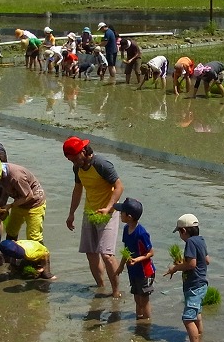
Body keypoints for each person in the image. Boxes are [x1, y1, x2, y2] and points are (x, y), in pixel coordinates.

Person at [63, 136, 124, 298]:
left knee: (107, 255)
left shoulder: (101, 165)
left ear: (83, 151)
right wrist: (71, 214)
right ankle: (100, 287)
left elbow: (119, 186)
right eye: (70, 159)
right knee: (90, 252)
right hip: (89, 212)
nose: (73, 162)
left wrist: (108, 207)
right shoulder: (77, 168)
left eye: (74, 158)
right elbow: (77, 190)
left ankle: (116, 291)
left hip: (108, 213)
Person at [166, 213, 209, 342]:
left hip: (194, 286)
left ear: (183, 231)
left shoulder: (190, 243)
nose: (180, 235)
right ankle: (200, 337)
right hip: (202, 284)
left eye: (179, 232)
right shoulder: (201, 240)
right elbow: (207, 260)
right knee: (197, 314)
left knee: (187, 319)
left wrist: (176, 268)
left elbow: (191, 264)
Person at [0, 157, 47, 244]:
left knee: (34, 237)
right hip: (19, 202)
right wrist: (1, 204)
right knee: (11, 230)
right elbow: (6, 189)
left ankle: (41, 256)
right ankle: (11, 255)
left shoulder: (16, 177)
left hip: (34, 203)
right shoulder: (2, 176)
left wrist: (10, 206)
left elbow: (29, 195)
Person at [117, 197, 155, 322]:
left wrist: (137, 260)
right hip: (133, 271)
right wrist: (121, 266)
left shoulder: (141, 233)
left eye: (121, 212)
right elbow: (126, 250)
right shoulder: (126, 229)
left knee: (144, 300)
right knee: (137, 298)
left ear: (129, 216)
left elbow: (151, 252)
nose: (119, 214)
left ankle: (147, 323)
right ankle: (139, 320)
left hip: (145, 271)